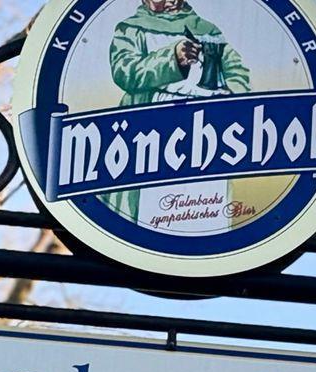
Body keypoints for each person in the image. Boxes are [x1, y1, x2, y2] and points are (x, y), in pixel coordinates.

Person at [104, 0, 252, 220]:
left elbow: (236, 71)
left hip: (204, 131)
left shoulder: (207, 30)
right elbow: (125, 72)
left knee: (204, 200)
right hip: (150, 133)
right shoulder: (132, 28)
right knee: (145, 207)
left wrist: (230, 95)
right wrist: (173, 57)